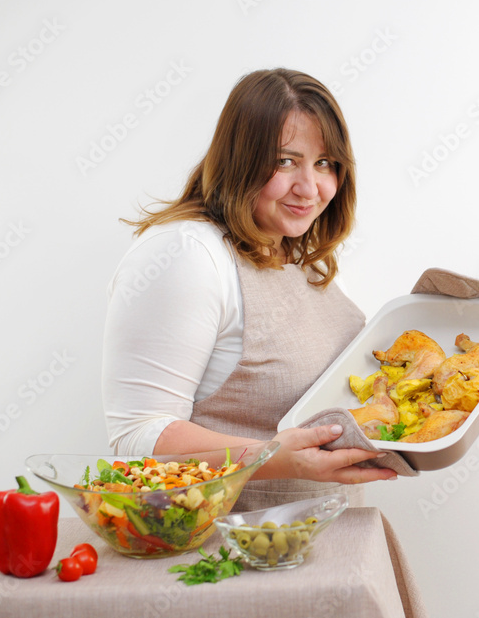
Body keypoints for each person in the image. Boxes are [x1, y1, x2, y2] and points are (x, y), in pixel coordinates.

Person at [101, 68, 397, 510]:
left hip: (330, 531)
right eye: (285, 161)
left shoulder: (297, 251)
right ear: (239, 160)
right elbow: (137, 436)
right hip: (232, 541)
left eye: (324, 163)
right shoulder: (186, 254)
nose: (309, 188)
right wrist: (271, 458)